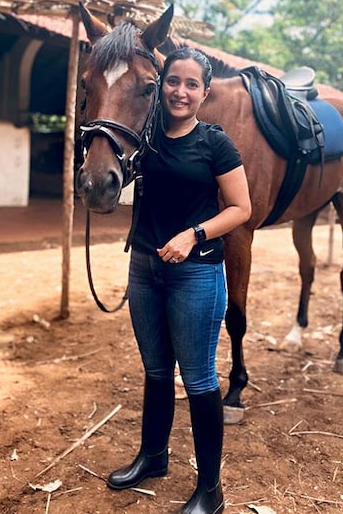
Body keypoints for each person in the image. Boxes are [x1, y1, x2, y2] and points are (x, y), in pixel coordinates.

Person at [105, 46, 251, 514]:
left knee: (200, 377)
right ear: (160, 84)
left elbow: (240, 210)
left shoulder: (215, 143)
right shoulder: (144, 138)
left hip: (195, 273)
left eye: (191, 84)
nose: (180, 91)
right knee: (154, 370)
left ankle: (211, 488)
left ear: (204, 92)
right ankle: (153, 457)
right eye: (173, 81)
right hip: (145, 268)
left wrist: (193, 235)